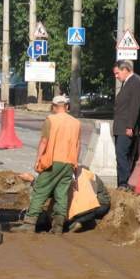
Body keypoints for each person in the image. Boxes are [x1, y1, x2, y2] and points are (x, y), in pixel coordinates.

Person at [20, 95, 82, 234]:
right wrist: (75, 162)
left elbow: (44, 141)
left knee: (40, 191)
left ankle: (29, 224)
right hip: (69, 163)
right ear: (67, 107)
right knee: (61, 194)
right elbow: (78, 145)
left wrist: (38, 159)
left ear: (54, 107)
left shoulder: (51, 120)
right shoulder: (76, 123)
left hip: (52, 162)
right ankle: (58, 227)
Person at [113, 60, 140, 189]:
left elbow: (134, 106)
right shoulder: (127, 83)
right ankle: (123, 182)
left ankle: (124, 183)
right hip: (121, 126)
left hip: (126, 127)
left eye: (117, 73)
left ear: (125, 70)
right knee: (121, 155)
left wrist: (130, 126)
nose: (116, 76)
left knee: (122, 154)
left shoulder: (135, 82)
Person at [67, 167, 111, 232]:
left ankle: (77, 222)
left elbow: (91, 200)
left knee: (89, 212)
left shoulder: (88, 176)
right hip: (93, 203)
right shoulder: (81, 175)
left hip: (101, 204)